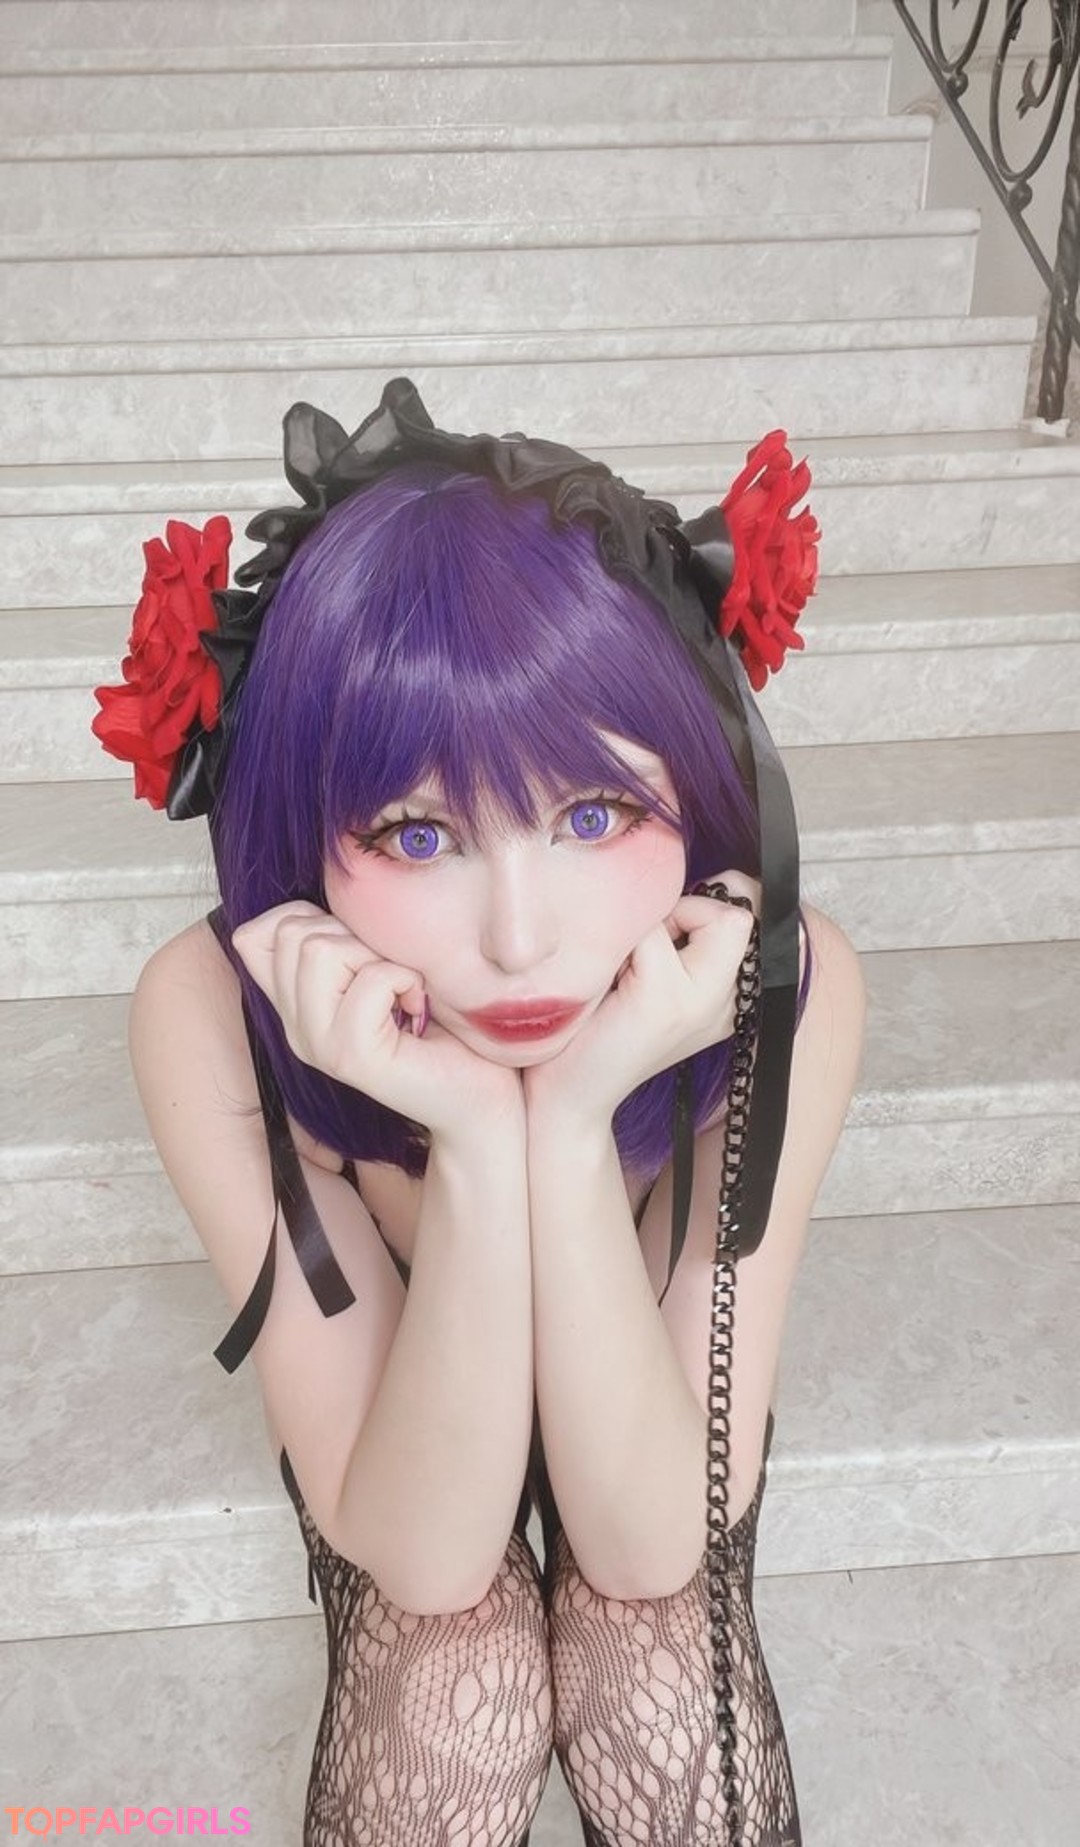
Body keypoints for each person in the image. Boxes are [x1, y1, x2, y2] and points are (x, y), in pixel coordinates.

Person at [93, 380, 866, 1847]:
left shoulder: (780, 981)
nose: (520, 938)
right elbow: (429, 1559)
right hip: (413, 1451)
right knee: (455, 1674)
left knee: (652, 1663)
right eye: (417, 833)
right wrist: (463, 1125)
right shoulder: (213, 1009)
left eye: (593, 816)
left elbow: (650, 1543)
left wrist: (567, 1122)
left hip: (638, 1431)